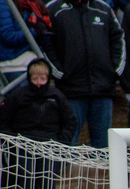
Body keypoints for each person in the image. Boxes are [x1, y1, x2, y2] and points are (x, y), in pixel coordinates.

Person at [0, 58, 77, 189]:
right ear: (29, 78)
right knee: (26, 184)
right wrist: (13, 141)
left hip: (50, 147)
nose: (39, 83)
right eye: (35, 79)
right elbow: (0, 120)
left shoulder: (57, 97)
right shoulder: (17, 96)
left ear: (48, 78)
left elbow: (70, 122)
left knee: (47, 185)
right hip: (23, 147)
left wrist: (60, 142)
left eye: (42, 79)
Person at [43, 0, 125, 148]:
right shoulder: (53, 9)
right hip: (70, 91)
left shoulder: (104, 9)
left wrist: (114, 71)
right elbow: (45, 41)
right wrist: (60, 73)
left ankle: (103, 172)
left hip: (103, 90)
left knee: (103, 148)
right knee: (69, 144)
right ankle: (69, 172)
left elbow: (118, 38)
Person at [0, 0, 52, 81]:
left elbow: (43, 41)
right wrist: (34, 31)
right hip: (14, 66)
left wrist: (43, 30)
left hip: (35, 65)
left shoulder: (33, 5)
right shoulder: (2, 4)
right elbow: (7, 36)